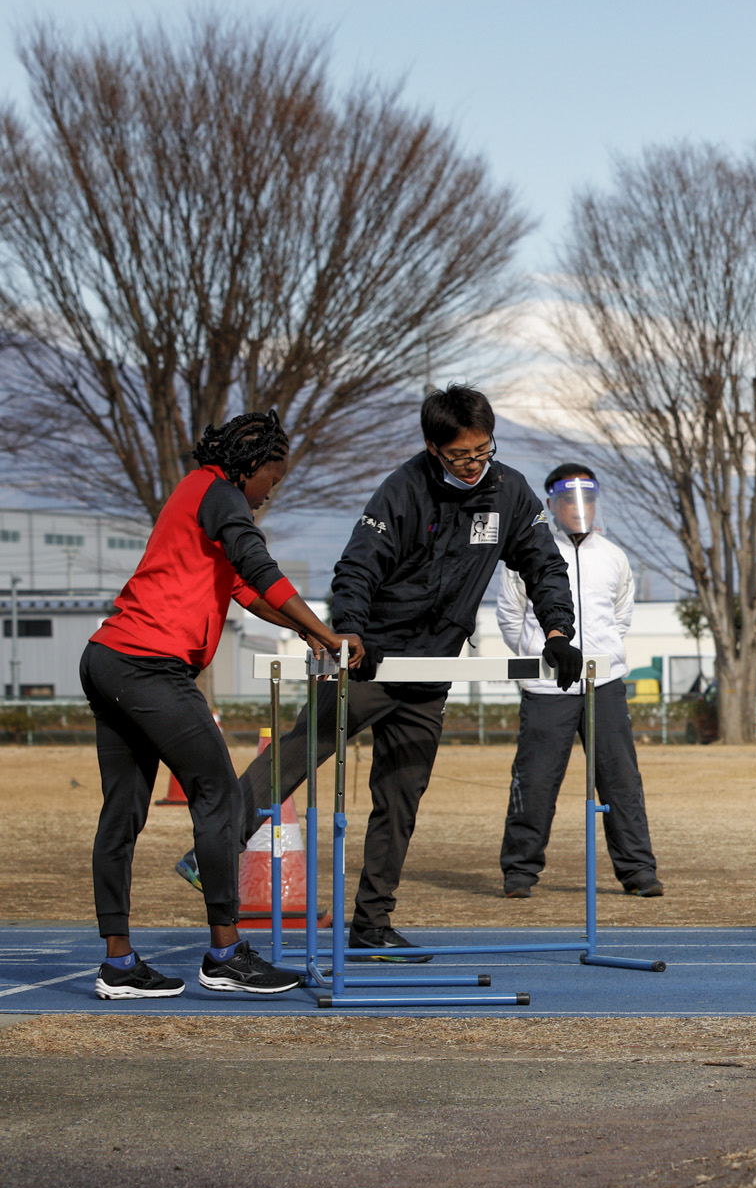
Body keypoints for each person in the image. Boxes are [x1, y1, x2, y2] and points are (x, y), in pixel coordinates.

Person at [182, 385, 582, 962]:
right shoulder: (403, 488)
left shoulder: (509, 492)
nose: (473, 465)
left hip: (433, 667)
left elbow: (543, 564)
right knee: (301, 747)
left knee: (401, 796)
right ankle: (210, 851)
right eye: (459, 456)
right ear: (432, 447)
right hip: (374, 656)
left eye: (482, 451)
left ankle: (372, 924)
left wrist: (558, 633)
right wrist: (349, 635)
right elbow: (358, 568)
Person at [84, 412, 356, 999]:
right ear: (250, 468)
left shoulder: (196, 492)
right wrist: (331, 635)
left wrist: (303, 630)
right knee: (220, 796)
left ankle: (119, 963)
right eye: (271, 482)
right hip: (148, 665)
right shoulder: (222, 495)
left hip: (108, 657)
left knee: (123, 813)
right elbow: (261, 567)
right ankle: (225, 954)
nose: (268, 495)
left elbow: (245, 589)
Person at [495, 463, 662, 898]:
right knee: (535, 779)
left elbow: (620, 616)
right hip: (547, 686)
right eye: (568, 499)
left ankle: (638, 871)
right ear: (552, 504)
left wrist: (602, 654)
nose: (577, 507)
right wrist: (536, 657)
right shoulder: (526, 555)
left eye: (585, 499)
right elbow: (510, 617)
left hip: (603, 683)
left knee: (620, 778)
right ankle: (519, 871)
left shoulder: (613, 556)